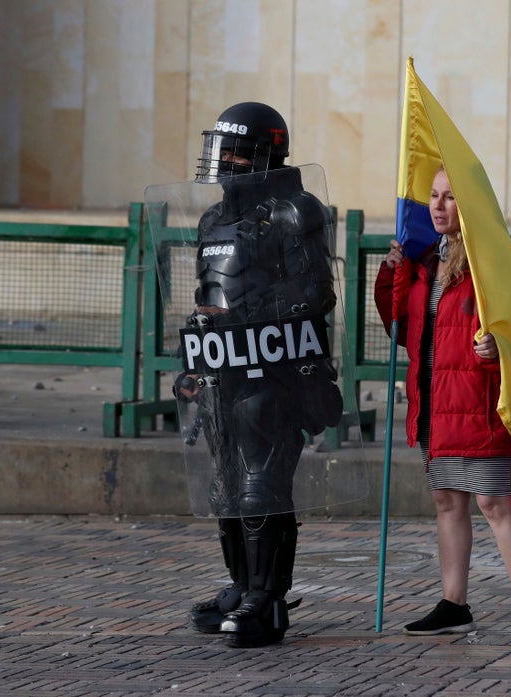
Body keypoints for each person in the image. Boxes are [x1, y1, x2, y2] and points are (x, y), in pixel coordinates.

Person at [175, 102, 342, 648]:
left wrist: (245, 316)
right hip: (221, 372)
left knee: (258, 488)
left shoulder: (295, 211)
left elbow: (314, 292)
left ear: (266, 154)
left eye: (236, 152)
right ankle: (239, 587)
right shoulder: (212, 220)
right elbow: (207, 294)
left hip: (274, 373)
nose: (224, 161)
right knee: (225, 487)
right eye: (220, 149)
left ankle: (267, 600)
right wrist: (194, 357)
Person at [374, 166, 511, 641]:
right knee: (447, 500)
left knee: (492, 500)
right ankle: (454, 604)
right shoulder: (425, 260)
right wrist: (391, 274)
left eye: (449, 197)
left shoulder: (487, 260)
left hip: (476, 402)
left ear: (469, 202)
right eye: (433, 196)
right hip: (434, 402)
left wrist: (497, 347)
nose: (437, 206)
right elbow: (402, 326)